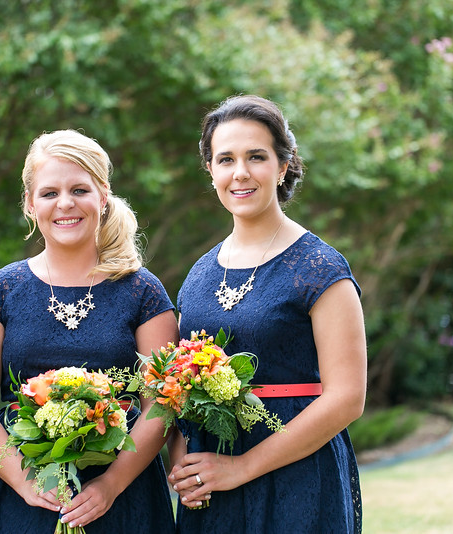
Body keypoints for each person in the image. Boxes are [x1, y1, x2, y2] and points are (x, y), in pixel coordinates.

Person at [0, 129, 178, 533]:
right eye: (49, 193)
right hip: (20, 497)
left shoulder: (143, 291)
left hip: (124, 498)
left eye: (80, 189)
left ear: (103, 196)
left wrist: (111, 484)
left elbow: (160, 405)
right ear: (29, 203)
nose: (65, 204)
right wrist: (25, 482)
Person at [170, 95, 366, 533]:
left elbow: (348, 397)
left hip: (298, 478)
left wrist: (242, 467)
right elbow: (180, 385)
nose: (240, 172)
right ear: (211, 170)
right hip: (212, 483)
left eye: (256, 157)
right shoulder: (200, 274)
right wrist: (183, 459)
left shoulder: (320, 268)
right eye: (226, 159)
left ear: (283, 165)